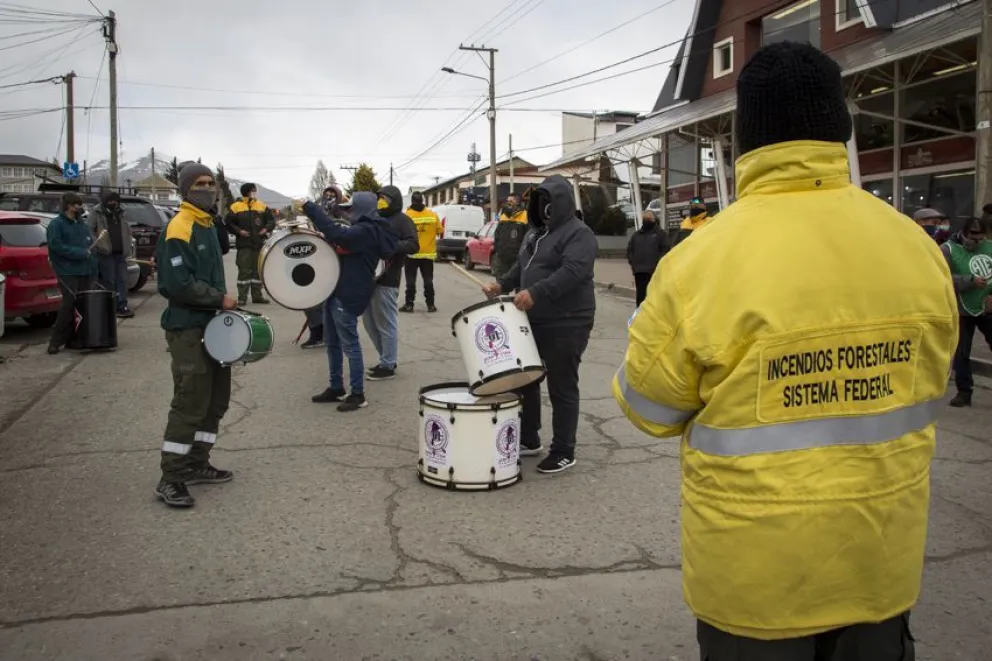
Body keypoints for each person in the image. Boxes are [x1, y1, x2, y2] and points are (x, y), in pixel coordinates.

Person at [613, 41, 957, 660]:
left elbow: (649, 409)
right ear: (840, 127)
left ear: (745, 140)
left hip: (753, 585)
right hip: (879, 568)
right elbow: (932, 375)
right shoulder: (917, 248)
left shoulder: (698, 263)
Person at [481, 174, 597, 474]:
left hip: (568, 321)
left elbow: (572, 271)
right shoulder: (535, 233)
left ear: (561, 202)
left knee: (562, 386)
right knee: (526, 379)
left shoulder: (579, 234)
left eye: (548, 201)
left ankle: (563, 450)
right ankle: (530, 437)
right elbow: (522, 266)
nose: (543, 207)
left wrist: (536, 292)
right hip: (533, 318)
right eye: (539, 201)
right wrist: (502, 284)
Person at [154, 163, 239, 509]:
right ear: (186, 189)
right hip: (187, 327)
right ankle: (171, 477)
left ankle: (196, 463)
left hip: (213, 325)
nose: (208, 188)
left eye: (211, 182)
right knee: (190, 402)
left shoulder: (206, 223)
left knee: (216, 400)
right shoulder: (181, 226)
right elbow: (175, 284)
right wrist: (218, 299)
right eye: (200, 183)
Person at [300, 192, 398, 412]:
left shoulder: (367, 230)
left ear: (362, 208)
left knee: (350, 346)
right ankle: (336, 387)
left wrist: (310, 208)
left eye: (352, 208)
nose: (349, 212)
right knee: (332, 343)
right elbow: (338, 233)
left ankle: (357, 394)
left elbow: (337, 234)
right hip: (337, 290)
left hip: (348, 293)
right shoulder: (363, 228)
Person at [364, 185, 418, 380]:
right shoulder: (376, 218)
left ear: (394, 200)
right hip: (369, 278)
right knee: (370, 323)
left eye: (385, 198)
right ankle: (386, 359)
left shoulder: (403, 220)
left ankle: (388, 365)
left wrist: (391, 246)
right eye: (379, 198)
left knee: (386, 323)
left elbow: (413, 245)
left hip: (388, 279)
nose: (381, 201)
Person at [942, 212, 992, 408]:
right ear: (965, 233)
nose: (977, 241)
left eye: (981, 237)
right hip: (962, 308)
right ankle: (964, 391)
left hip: (987, 308)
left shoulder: (989, 247)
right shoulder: (948, 250)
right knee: (962, 352)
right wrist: (969, 281)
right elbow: (943, 277)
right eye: (973, 236)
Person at [45, 193, 98, 355]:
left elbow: (89, 244)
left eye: (80, 204)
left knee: (82, 305)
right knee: (68, 304)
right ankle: (55, 341)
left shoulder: (82, 224)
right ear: (68, 206)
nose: (80, 207)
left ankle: (75, 339)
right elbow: (56, 246)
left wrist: (92, 263)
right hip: (66, 270)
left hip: (84, 270)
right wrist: (79, 253)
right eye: (77, 204)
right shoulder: (56, 224)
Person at [300, 185, 346, 349]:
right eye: (326, 194)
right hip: (318, 259)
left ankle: (325, 334)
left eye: (332, 195)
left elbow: (343, 234)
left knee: (326, 301)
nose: (328, 198)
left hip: (335, 262)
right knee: (309, 298)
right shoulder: (319, 214)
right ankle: (318, 331)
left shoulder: (343, 213)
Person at [224, 182, 273, 305]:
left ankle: (257, 296)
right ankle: (242, 297)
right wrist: (239, 231)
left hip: (259, 244)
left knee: (258, 271)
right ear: (247, 192)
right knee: (244, 271)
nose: (255, 192)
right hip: (244, 245)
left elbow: (271, 221)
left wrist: (266, 229)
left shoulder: (262, 206)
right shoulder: (236, 207)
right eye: (253, 190)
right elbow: (228, 223)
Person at [88, 190, 135, 318]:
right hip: (105, 253)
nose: (113, 203)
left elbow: (127, 230)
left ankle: (122, 305)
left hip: (121, 253)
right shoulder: (96, 212)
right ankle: (110, 306)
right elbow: (89, 231)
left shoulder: (122, 212)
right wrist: (99, 245)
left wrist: (128, 244)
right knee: (109, 280)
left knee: (122, 279)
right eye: (110, 201)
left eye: (115, 201)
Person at [402, 192, 442, 313]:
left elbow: (401, 233)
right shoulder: (432, 215)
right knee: (428, 280)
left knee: (410, 281)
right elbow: (440, 231)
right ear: (422, 201)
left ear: (412, 201)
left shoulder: (406, 215)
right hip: (427, 255)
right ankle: (431, 305)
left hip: (411, 254)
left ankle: (409, 305)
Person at [626, 209, 669, 306]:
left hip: (654, 272)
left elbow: (665, 250)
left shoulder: (660, 234)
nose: (647, 220)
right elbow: (629, 250)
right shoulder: (636, 235)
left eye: (649, 218)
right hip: (639, 272)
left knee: (653, 297)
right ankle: (639, 313)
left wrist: (658, 265)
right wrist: (633, 263)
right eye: (645, 218)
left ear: (654, 219)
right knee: (640, 297)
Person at [491, 193, 528, 279]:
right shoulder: (504, 216)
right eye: (507, 201)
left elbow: (529, 238)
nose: (508, 204)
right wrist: (498, 251)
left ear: (518, 202)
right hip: (502, 260)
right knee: (500, 284)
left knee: (517, 284)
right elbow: (497, 235)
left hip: (517, 261)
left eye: (511, 201)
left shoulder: (525, 216)